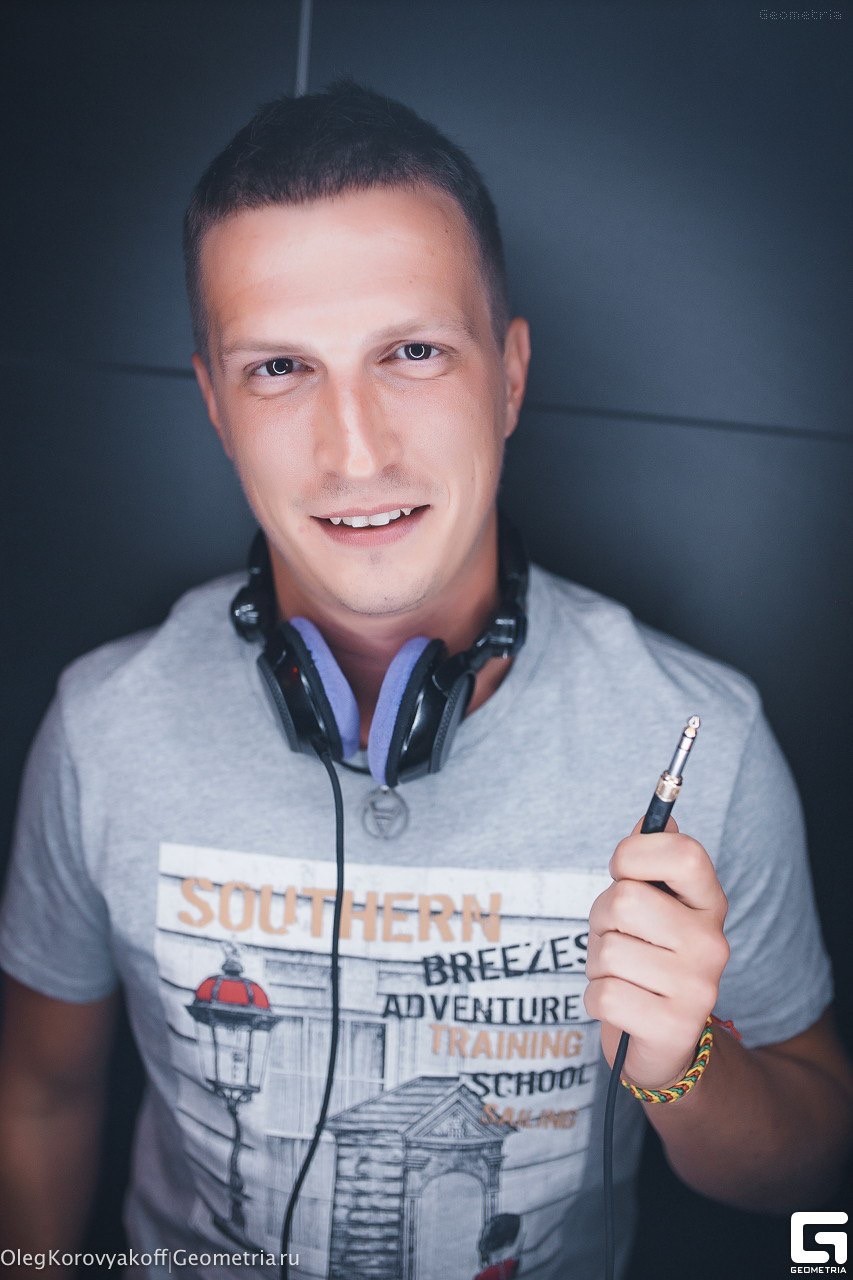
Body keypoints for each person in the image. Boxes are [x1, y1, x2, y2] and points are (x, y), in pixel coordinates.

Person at [0, 78, 850, 1280]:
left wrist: (682, 1064)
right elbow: (37, 1092)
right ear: (215, 407)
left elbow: (815, 1171)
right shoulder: (103, 726)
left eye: (412, 352)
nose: (355, 451)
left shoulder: (696, 734)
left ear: (509, 376)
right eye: (279, 367)